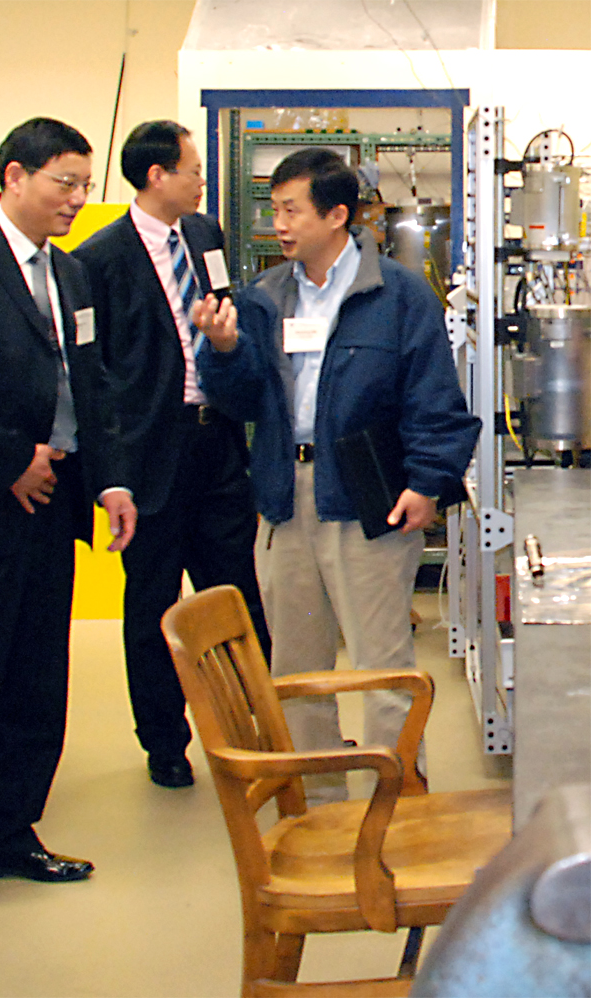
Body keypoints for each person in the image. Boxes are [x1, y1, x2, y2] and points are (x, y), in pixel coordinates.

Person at [193, 148, 481, 804]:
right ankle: (316, 809)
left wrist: (426, 483)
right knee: (297, 672)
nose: (279, 224)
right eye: (274, 210)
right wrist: (225, 351)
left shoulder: (399, 296)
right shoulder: (264, 299)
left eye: (292, 209)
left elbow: (435, 401)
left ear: (338, 216)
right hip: (283, 499)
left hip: (368, 499)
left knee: (384, 671)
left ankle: (398, 806)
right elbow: (240, 404)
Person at [0, 117, 137, 931]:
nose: (78, 199)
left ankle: (9, 830)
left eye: (84, 184)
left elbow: (94, 384)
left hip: (54, 504)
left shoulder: (70, 274)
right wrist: (11, 459)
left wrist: (110, 480)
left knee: (40, 678)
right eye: (64, 183)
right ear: (15, 176)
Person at [73, 120, 269, 788]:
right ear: (156, 175)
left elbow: (221, 307)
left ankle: (252, 721)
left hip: (215, 442)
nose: (201, 181)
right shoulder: (98, 260)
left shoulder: (205, 235)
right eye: (191, 169)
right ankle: (163, 741)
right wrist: (113, 474)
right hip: (151, 454)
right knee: (153, 606)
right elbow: (93, 374)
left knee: (235, 592)